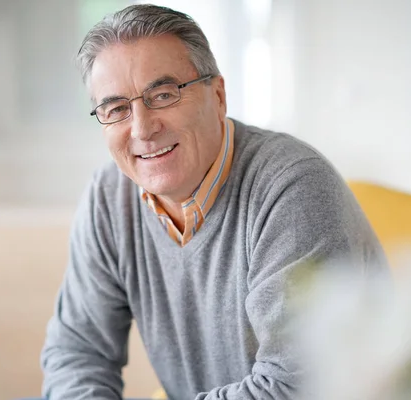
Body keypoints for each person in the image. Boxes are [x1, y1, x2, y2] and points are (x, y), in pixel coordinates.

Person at [41, 4, 387, 400]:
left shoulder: (292, 187)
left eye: (164, 94)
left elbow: (295, 388)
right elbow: (77, 353)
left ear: (218, 96)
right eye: (116, 108)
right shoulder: (109, 199)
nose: (142, 127)